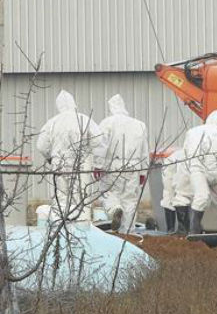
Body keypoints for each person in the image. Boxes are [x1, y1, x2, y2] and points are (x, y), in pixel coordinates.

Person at [36, 90, 105, 223]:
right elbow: (98, 140)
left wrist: (50, 157)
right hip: (81, 164)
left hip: (59, 164)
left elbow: (41, 145)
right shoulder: (84, 119)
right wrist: (95, 160)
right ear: (74, 103)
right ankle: (80, 232)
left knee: (60, 199)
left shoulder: (52, 122)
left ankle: (60, 232)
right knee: (80, 200)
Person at [98, 94, 149, 233]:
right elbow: (144, 150)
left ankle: (115, 209)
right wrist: (143, 172)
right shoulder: (139, 125)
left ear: (111, 108)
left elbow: (101, 146)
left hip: (112, 167)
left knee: (108, 193)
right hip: (133, 167)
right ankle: (128, 234)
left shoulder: (106, 123)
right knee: (130, 200)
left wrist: (98, 165)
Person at [179, 109, 217, 234]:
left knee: (201, 196)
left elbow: (185, 153)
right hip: (213, 170)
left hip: (194, 168)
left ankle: (194, 231)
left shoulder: (192, 132)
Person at [160, 148, 191, 233]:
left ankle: (171, 230)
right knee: (182, 195)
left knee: (168, 194)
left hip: (170, 160)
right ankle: (183, 230)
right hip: (184, 162)